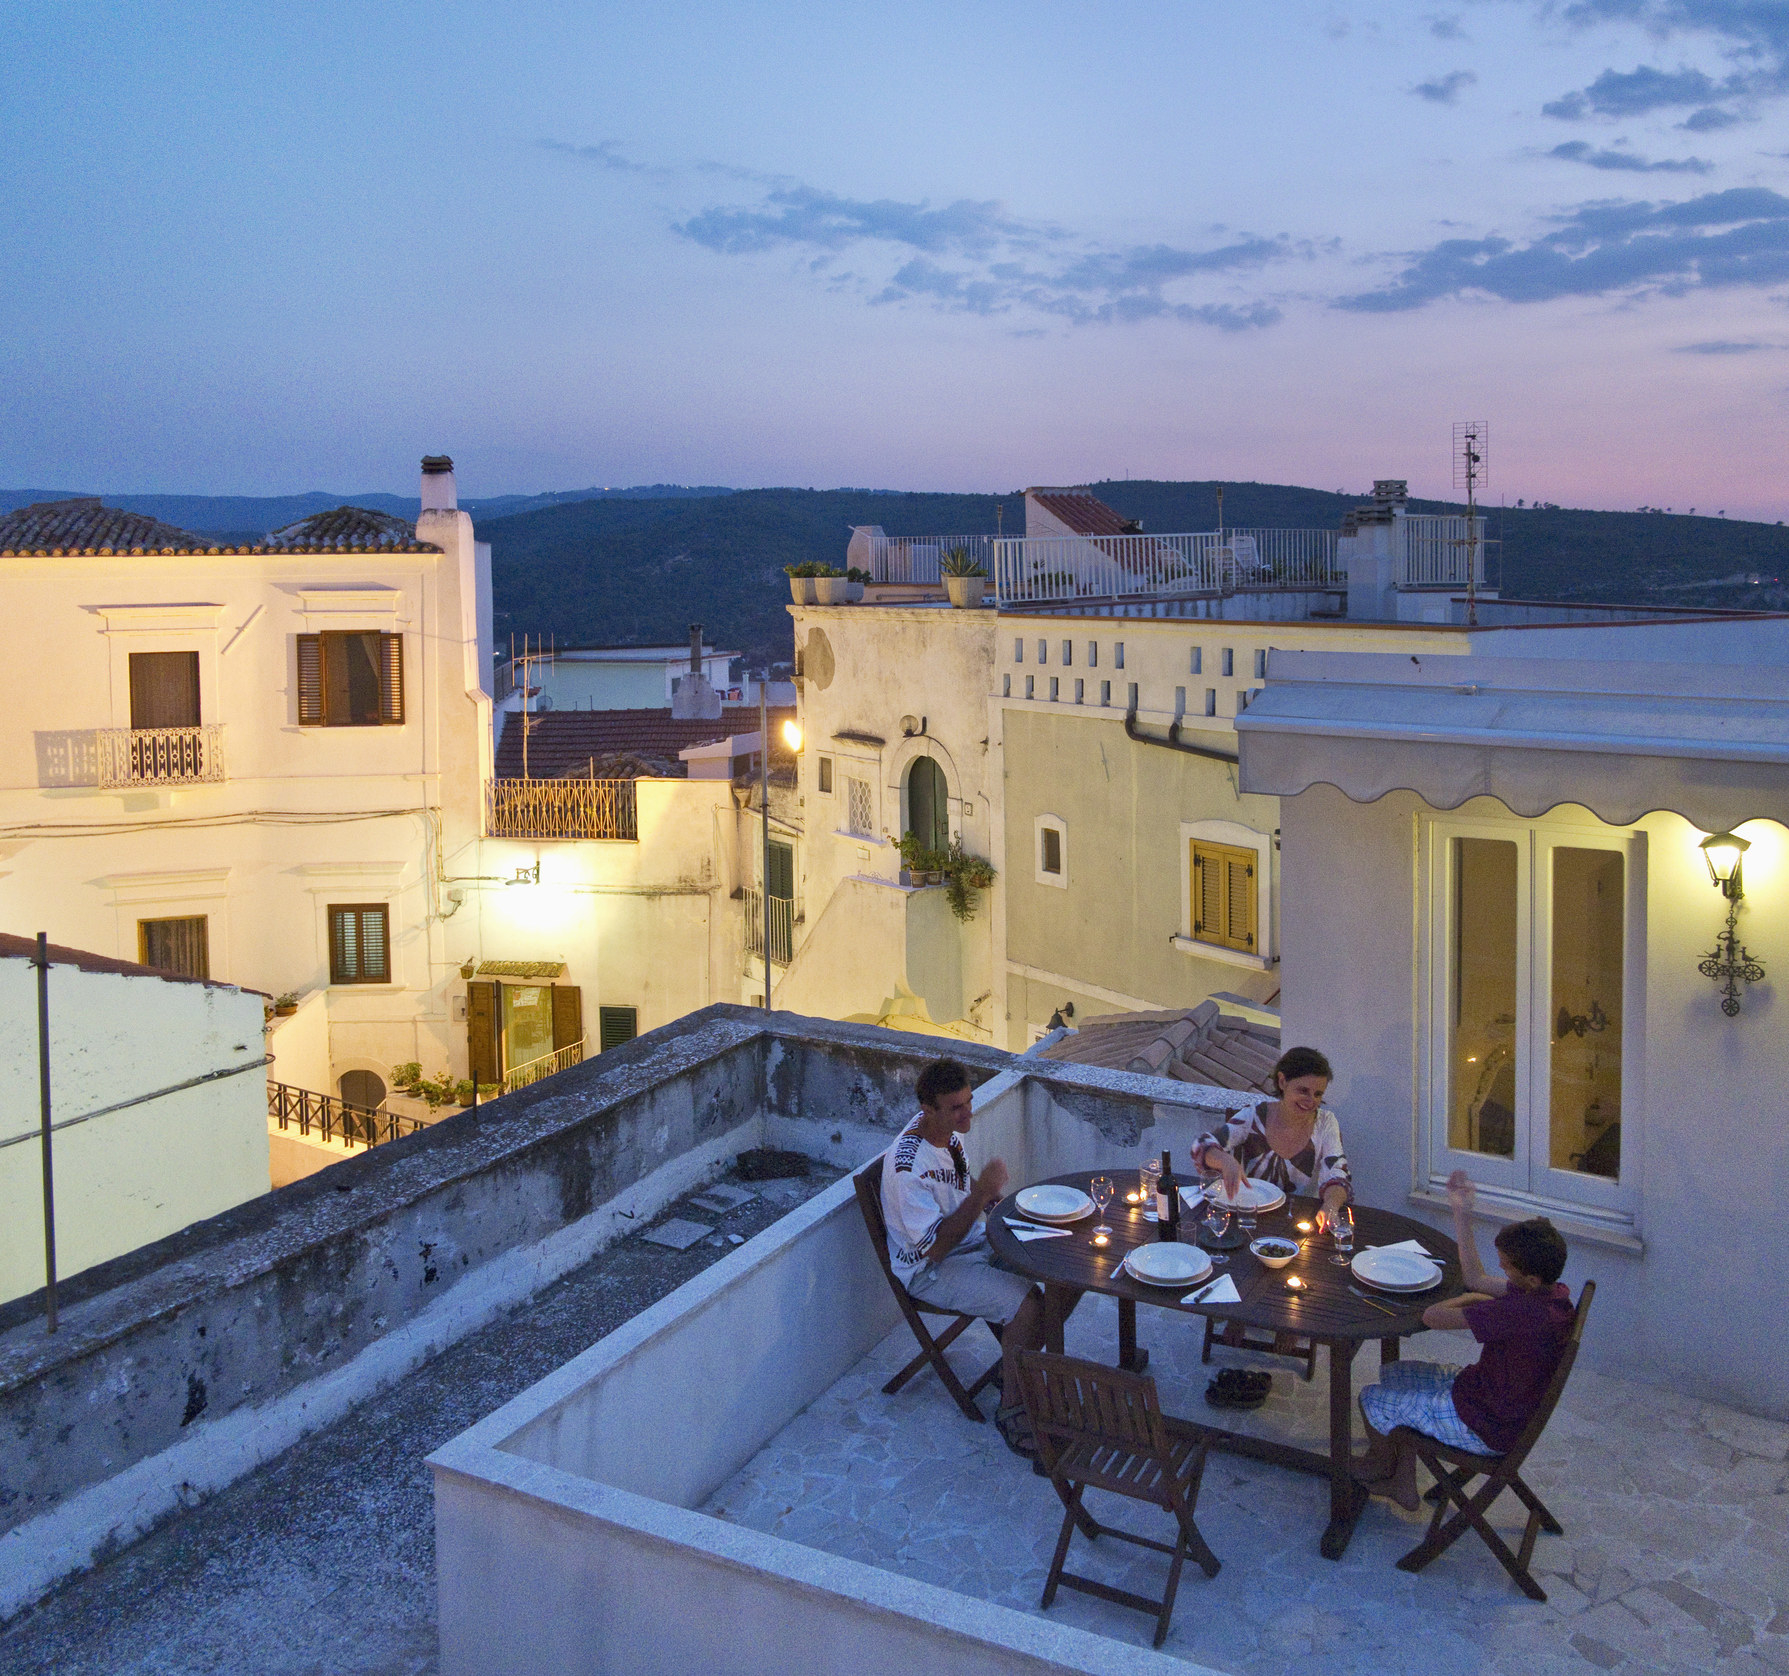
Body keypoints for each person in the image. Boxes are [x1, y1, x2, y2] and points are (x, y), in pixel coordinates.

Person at [1352, 1169, 1573, 1510]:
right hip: (1488, 1394)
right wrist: (1461, 1211)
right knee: (1394, 1373)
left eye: (1507, 1268)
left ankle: (1385, 1469)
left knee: (1372, 1399)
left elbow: (1433, 1317)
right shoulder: (1550, 1295)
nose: (1502, 1271)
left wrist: (1473, 1301)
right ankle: (1403, 1478)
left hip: (1485, 1423)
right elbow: (1476, 1278)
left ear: (1529, 1278)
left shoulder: (1517, 1314)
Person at [880, 1056, 1055, 1459]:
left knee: (1052, 1270)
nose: (967, 1112)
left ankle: (1020, 1365)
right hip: (930, 1269)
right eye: (956, 1107)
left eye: (968, 1101)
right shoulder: (908, 1168)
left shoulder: (948, 1137)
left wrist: (985, 1196)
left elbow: (959, 1189)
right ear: (928, 1109)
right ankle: (1012, 1407)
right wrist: (980, 1196)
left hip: (969, 1242)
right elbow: (936, 1248)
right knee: (1028, 1310)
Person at [1193, 1046, 1352, 1223]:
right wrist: (1225, 1161)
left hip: (1300, 1219)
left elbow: (1337, 1173)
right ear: (1282, 1081)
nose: (1311, 1100)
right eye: (1303, 1090)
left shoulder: (1325, 1122)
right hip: (1250, 1217)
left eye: (1318, 1094)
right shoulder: (1255, 1115)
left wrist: (1330, 1205)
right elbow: (1201, 1145)